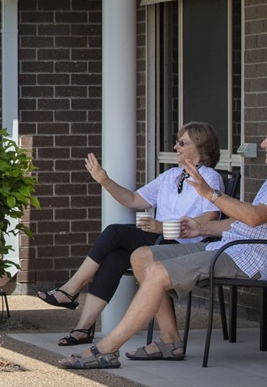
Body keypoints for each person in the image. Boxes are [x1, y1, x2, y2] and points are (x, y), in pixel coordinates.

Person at [59, 113, 267, 369]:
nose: (263, 145)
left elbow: (255, 217)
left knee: (157, 271)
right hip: (230, 248)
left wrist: (210, 194)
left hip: (250, 259)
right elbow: (244, 220)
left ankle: (107, 349)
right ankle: (169, 340)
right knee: (141, 256)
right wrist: (201, 227)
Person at [38, 121, 223, 348]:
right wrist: (104, 180)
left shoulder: (210, 178)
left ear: (201, 148)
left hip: (184, 245)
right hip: (158, 238)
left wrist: (164, 226)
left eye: (182, 143)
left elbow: (210, 218)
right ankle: (83, 328)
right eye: (177, 142)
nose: (176, 147)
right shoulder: (171, 176)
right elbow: (134, 200)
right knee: (115, 258)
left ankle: (71, 289)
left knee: (114, 232)